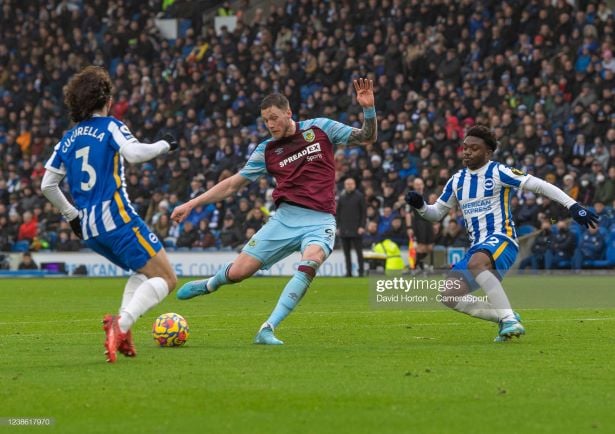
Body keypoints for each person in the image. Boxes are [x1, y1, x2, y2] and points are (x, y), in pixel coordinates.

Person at [171, 78, 377, 344]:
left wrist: (368, 110)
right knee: (238, 273)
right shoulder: (266, 150)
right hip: (284, 220)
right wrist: (191, 204)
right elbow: (233, 184)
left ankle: (267, 328)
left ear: (288, 113)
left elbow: (367, 137)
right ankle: (210, 284)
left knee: (311, 261)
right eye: (266, 120)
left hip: (319, 221)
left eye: (274, 118)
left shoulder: (320, 128)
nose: (270, 125)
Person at [405, 125, 598, 342]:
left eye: (474, 148)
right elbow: (436, 213)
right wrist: (421, 205)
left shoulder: (498, 172)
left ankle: (509, 320)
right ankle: (504, 316)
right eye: (465, 147)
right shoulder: (457, 180)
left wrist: (572, 205)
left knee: (477, 263)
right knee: (449, 295)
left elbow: (539, 185)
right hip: (477, 248)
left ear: (488, 152)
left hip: (502, 240)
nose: (467, 152)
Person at [41, 66, 178, 363]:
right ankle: (121, 325)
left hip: (89, 229)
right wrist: (165, 145)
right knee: (167, 279)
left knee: (143, 273)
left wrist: (71, 216)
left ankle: (123, 333)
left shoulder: (68, 138)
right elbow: (134, 154)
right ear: (106, 97)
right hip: (117, 218)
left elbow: (47, 184)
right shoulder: (110, 126)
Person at [336, 177, 366, 277]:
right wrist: (338, 227)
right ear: (345, 185)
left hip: (356, 228)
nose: (349, 185)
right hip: (344, 228)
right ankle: (348, 272)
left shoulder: (359, 196)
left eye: (351, 184)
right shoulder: (342, 196)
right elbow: (338, 213)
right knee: (346, 253)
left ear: (354, 185)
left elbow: (363, 213)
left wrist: (362, 226)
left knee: (359, 252)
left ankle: (361, 272)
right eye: (347, 184)